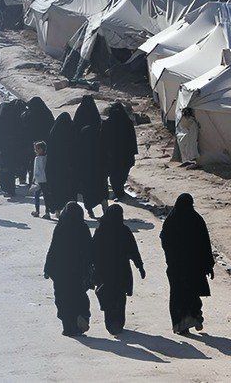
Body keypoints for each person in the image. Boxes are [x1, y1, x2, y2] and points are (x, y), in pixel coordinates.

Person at [160, 193, 215, 335]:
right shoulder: (196, 220)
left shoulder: (171, 220)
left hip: (176, 267)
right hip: (194, 267)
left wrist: (171, 258)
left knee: (178, 296)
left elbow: (164, 240)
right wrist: (208, 265)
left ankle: (182, 325)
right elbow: (205, 244)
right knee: (192, 294)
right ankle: (195, 316)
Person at [92, 204, 145, 336]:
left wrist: (91, 269)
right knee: (120, 298)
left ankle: (111, 324)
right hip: (122, 271)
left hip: (104, 272)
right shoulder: (124, 230)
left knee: (108, 297)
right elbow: (133, 250)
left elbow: (93, 252)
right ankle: (118, 323)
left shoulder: (101, 230)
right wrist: (140, 266)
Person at [43, 202, 93, 336]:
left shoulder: (61, 227)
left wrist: (48, 268)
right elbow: (89, 250)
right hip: (78, 271)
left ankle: (68, 327)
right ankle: (81, 316)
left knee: (63, 299)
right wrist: (91, 268)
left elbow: (53, 249)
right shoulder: (83, 227)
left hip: (61, 272)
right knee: (79, 297)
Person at [72, 97, 106, 218]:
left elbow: (74, 130)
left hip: (83, 159)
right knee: (100, 188)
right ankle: (105, 210)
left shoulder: (79, 113)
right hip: (97, 161)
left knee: (86, 188)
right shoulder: (95, 114)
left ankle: (89, 210)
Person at [101, 101, 138, 200]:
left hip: (112, 157)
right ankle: (119, 192)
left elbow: (103, 141)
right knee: (121, 175)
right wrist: (133, 153)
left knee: (114, 176)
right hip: (125, 156)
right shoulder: (127, 122)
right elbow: (132, 140)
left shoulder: (107, 124)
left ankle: (118, 192)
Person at [44, 113, 76, 214]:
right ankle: (71, 210)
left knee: (56, 188)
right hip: (68, 166)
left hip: (55, 166)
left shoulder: (54, 132)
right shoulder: (72, 131)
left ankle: (57, 209)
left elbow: (50, 150)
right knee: (69, 189)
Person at [0, 99, 26, 198]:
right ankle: (10, 189)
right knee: (9, 168)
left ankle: (7, 188)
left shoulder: (5, 110)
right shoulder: (11, 112)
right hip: (10, 145)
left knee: (5, 169)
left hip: (4, 145)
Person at [20, 97, 54, 186]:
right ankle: (44, 181)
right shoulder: (47, 113)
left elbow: (24, 126)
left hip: (31, 143)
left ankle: (33, 182)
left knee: (33, 163)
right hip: (44, 143)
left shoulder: (29, 115)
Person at [30, 141, 50, 219]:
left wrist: (34, 178)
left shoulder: (39, 158)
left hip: (40, 180)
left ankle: (39, 211)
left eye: (38, 148)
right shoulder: (45, 157)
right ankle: (46, 212)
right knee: (45, 196)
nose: (36, 150)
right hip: (44, 179)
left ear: (42, 149)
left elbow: (37, 170)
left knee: (38, 195)